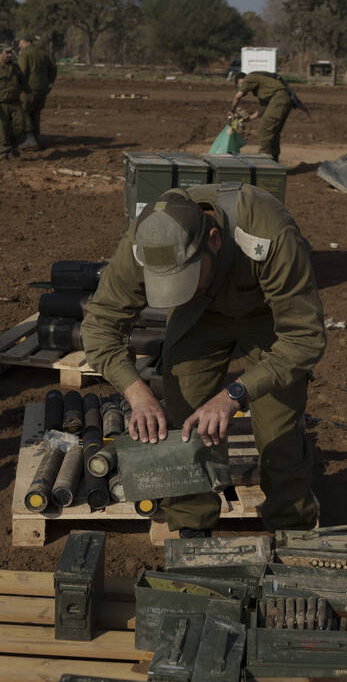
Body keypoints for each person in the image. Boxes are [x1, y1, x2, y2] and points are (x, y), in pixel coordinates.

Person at [81, 183, 326, 538]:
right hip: (199, 315)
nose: (181, 286)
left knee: (280, 430)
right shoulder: (146, 239)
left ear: (213, 239)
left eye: (186, 277)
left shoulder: (267, 231)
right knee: (186, 423)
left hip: (268, 316)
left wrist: (234, 395)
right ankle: (192, 528)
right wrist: (136, 392)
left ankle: (292, 528)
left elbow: (304, 337)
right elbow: (100, 325)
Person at [228, 71, 293, 161]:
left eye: (240, 85)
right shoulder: (262, 88)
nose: (241, 87)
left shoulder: (249, 78)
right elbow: (263, 109)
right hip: (284, 98)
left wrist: (231, 111)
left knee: (265, 128)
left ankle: (263, 160)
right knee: (273, 131)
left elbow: (237, 97)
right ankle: (274, 161)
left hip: (279, 98)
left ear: (240, 81)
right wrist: (249, 118)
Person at [0, 43, 30, 159]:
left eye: (10, 52)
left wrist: (29, 93)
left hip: (15, 103)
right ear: (0, 54)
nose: (10, 55)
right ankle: (4, 151)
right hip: (0, 104)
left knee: (20, 126)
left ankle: (13, 146)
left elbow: (23, 82)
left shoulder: (15, 67)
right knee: (3, 127)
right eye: (7, 53)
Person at [16, 34, 56, 146]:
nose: (19, 45)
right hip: (42, 89)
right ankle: (36, 137)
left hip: (29, 89)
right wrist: (49, 82)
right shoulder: (43, 53)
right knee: (36, 112)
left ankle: (29, 137)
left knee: (24, 111)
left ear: (25, 42)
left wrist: (17, 86)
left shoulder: (25, 54)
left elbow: (22, 71)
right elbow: (53, 69)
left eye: (20, 42)